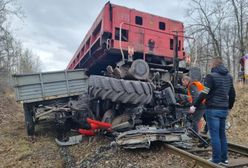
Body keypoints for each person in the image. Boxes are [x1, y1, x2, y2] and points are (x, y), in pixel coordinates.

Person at [189, 57, 236, 165]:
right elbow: (232, 94)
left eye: (210, 64)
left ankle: (216, 159)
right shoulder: (229, 77)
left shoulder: (211, 77)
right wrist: (229, 106)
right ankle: (224, 159)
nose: (210, 66)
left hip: (213, 109)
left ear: (214, 65)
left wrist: (194, 105)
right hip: (224, 109)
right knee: (222, 135)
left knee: (214, 135)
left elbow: (204, 93)